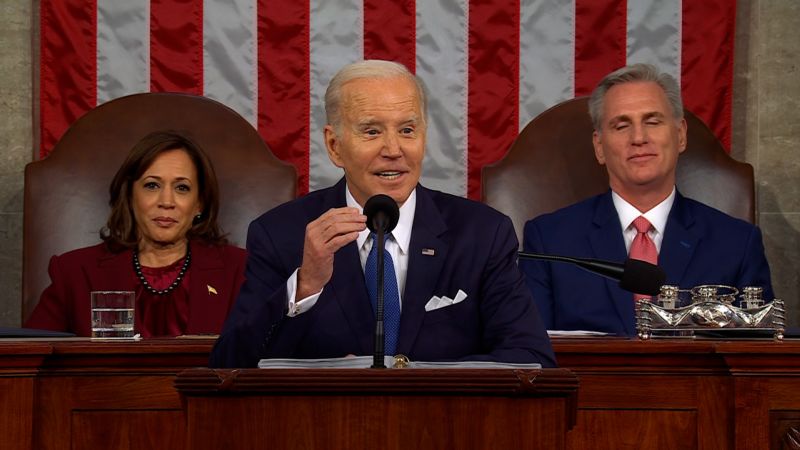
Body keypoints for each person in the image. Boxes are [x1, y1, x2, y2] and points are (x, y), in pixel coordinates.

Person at [210, 60, 555, 368]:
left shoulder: (482, 233)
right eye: (372, 131)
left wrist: (423, 381)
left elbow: (531, 358)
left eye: (407, 130)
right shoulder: (281, 234)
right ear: (334, 146)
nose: (394, 150)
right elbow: (230, 365)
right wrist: (305, 286)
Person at [520, 63, 774, 336]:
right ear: (599, 147)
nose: (639, 138)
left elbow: (757, 359)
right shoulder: (550, 241)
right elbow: (534, 356)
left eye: (652, 122)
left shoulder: (737, 243)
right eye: (621, 126)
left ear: (680, 136)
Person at [25, 131, 247, 337]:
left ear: (199, 203)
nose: (166, 202)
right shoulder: (74, 273)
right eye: (152, 185)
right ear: (130, 196)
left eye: (182, 188)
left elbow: (265, 361)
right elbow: (32, 363)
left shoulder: (240, 270)